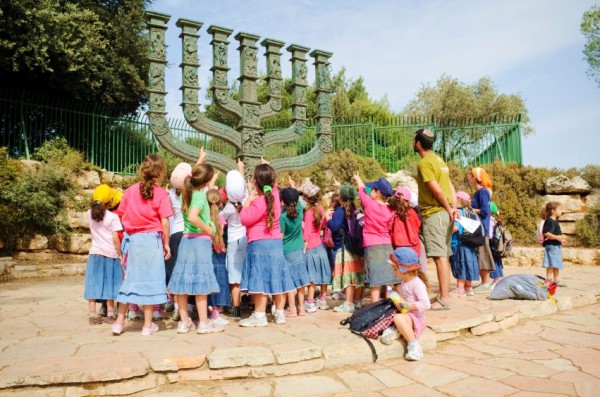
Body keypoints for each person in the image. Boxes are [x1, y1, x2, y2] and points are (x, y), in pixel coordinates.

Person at [111, 154, 173, 336]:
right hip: (152, 241)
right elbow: (165, 222)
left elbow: (119, 214)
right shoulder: (161, 193)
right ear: (161, 172)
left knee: (130, 282)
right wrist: (166, 243)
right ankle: (147, 326)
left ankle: (119, 323)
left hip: (134, 241)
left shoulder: (130, 191)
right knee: (151, 282)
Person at [167, 160, 223, 334]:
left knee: (183, 282)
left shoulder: (186, 193)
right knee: (201, 283)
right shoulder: (199, 195)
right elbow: (192, 217)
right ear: (206, 182)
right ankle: (204, 323)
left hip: (186, 240)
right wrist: (208, 228)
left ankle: (185, 322)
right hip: (199, 241)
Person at [239, 159, 295, 327]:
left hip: (259, 243)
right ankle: (279, 314)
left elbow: (244, 218)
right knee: (277, 277)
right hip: (276, 243)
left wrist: (247, 201)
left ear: (255, 181)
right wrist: (268, 166)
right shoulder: (275, 197)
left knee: (260, 279)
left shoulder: (258, 202)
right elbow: (274, 185)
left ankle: (259, 316)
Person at [413, 128, 458, 310]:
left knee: (439, 257)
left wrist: (448, 208)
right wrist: (454, 209)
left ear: (417, 143)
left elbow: (435, 188)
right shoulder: (439, 161)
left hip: (434, 213)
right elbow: (450, 186)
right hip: (445, 213)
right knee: (444, 256)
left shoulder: (424, 163)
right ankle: (443, 295)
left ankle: (445, 298)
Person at [352, 173, 399, 302]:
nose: (370, 191)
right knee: (389, 279)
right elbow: (389, 227)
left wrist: (358, 179)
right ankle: (390, 308)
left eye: (373, 189)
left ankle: (375, 307)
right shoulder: (391, 210)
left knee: (375, 280)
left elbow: (362, 190)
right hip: (387, 246)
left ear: (377, 192)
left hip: (372, 246)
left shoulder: (369, 204)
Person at [84, 186, 124, 325]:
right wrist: (119, 254)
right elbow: (115, 239)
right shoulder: (113, 217)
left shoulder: (89, 213)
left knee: (93, 282)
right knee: (110, 283)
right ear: (110, 201)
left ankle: (93, 314)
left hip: (95, 253)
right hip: (110, 254)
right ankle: (111, 313)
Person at [389, 247, 431, 361]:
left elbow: (426, 304)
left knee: (398, 318)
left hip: (417, 319)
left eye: (395, 268)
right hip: (408, 316)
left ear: (404, 268)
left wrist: (407, 305)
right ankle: (397, 330)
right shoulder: (404, 281)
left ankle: (414, 346)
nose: (393, 271)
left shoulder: (417, 283)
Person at [220, 162, 248, 319]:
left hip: (232, 241)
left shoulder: (229, 208)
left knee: (234, 276)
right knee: (245, 271)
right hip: (246, 240)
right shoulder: (247, 201)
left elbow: (218, 220)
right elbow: (241, 188)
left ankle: (236, 307)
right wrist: (241, 170)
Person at [331, 185, 365, 313]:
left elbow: (334, 227)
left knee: (348, 276)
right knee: (357, 275)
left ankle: (348, 303)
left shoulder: (340, 210)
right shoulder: (356, 209)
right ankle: (357, 301)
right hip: (357, 247)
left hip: (346, 247)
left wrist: (328, 219)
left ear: (341, 197)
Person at [165, 162, 192, 319]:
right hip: (188, 234)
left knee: (175, 272)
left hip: (175, 234)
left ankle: (176, 306)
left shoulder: (170, 193)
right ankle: (186, 306)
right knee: (187, 272)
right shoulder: (191, 194)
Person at [280, 187, 310, 317]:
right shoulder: (300, 213)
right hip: (299, 250)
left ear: (283, 202)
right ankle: (301, 308)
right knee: (301, 281)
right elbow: (298, 201)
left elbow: (281, 236)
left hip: (286, 251)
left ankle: (292, 309)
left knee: (290, 281)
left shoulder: (283, 217)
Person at [302, 183, 331, 312]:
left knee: (312, 276)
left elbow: (307, 233)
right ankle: (323, 299)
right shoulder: (321, 209)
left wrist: (304, 247)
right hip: (321, 245)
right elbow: (324, 224)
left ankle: (310, 301)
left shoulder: (309, 212)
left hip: (311, 247)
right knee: (323, 272)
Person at [468, 167, 496, 294]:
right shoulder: (478, 192)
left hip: (482, 229)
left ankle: (485, 283)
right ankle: (484, 282)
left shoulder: (483, 192)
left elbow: (485, 211)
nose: (469, 177)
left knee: (483, 254)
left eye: (471, 175)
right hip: (478, 229)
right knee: (480, 254)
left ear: (476, 178)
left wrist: (469, 210)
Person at [207, 188, 232, 326]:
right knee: (219, 283)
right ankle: (216, 313)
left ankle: (206, 312)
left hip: (207, 253)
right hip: (219, 252)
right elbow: (220, 236)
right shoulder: (221, 218)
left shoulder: (203, 217)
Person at [449, 192, 479, 297]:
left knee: (460, 264)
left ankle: (460, 289)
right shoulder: (471, 212)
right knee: (468, 264)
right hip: (470, 243)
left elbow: (455, 228)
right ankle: (468, 288)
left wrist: (445, 232)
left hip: (458, 242)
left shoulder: (458, 212)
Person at [541, 202, 567, 287]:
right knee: (551, 263)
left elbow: (556, 233)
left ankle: (557, 280)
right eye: (559, 209)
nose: (561, 211)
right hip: (552, 246)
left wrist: (561, 240)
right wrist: (557, 237)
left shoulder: (555, 221)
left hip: (556, 245)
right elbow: (546, 233)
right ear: (553, 211)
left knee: (556, 263)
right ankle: (548, 280)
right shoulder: (549, 221)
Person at [390, 187, 422, 256]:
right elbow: (418, 225)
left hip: (398, 246)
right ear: (408, 200)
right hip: (414, 246)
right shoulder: (412, 212)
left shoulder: (393, 213)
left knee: (401, 266)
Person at [489, 202, 504, 286]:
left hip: (492, 243)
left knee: (493, 261)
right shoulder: (495, 220)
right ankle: (497, 278)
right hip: (496, 244)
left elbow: (490, 234)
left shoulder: (490, 221)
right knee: (497, 261)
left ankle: (496, 279)